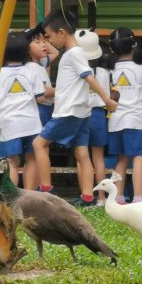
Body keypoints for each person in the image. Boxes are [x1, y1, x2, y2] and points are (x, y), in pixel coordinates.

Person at [34, 11, 115, 204]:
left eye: (50, 36)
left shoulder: (74, 53)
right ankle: (87, 197)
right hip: (81, 111)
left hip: (69, 111)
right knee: (81, 153)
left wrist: (106, 99)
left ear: (62, 32)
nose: (49, 41)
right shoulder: (74, 53)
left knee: (39, 144)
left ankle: (46, 189)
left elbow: (88, 76)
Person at [0, 31, 48, 190]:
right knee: (32, 159)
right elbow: (40, 98)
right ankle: (29, 195)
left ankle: (11, 200)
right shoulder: (31, 71)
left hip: (9, 123)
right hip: (31, 122)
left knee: (12, 161)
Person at [107, 27, 142, 203]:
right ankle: (138, 197)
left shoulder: (109, 71)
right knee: (139, 157)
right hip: (136, 121)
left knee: (121, 158)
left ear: (112, 49)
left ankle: (118, 196)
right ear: (134, 45)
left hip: (116, 121)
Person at [76, 29, 110, 206]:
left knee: (81, 157)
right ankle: (102, 199)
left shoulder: (76, 71)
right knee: (98, 158)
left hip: (81, 114)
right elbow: (109, 94)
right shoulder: (103, 73)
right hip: (98, 114)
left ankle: (85, 195)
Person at [24, 24, 56, 127]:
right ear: (26, 47)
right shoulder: (30, 67)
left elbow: (55, 52)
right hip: (39, 109)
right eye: (37, 42)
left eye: (44, 41)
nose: (43, 45)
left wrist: (40, 37)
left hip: (46, 108)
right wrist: (61, 90)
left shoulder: (41, 63)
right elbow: (43, 91)